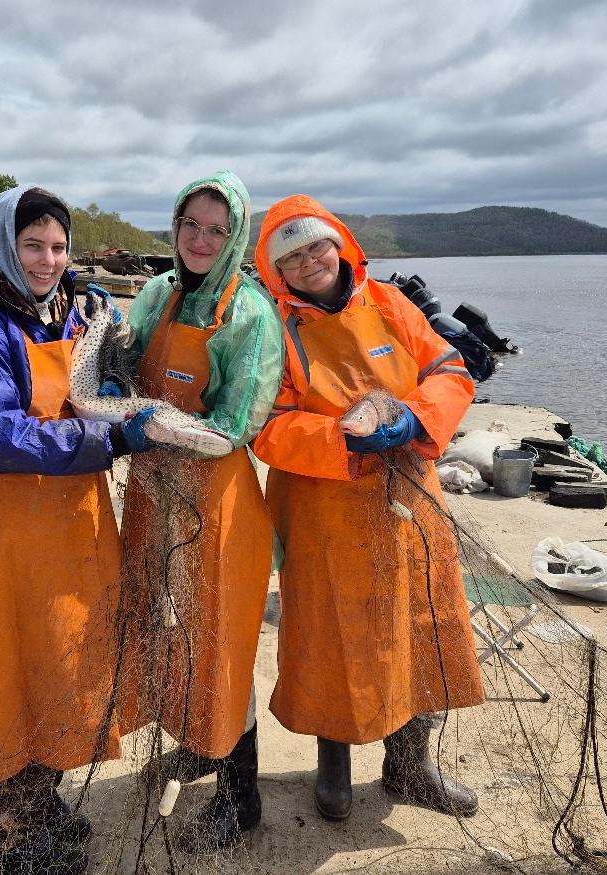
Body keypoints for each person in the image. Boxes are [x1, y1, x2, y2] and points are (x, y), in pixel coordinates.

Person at [0, 185, 155, 875]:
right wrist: (106, 439)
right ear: (3, 245)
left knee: (66, 669)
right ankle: (12, 838)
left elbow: (101, 373)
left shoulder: (71, 310)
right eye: (33, 245)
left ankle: (42, 800)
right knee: (4, 677)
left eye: (58, 246)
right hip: (6, 539)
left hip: (74, 527)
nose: (49, 259)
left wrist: (119, 375)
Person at [250, 195, 486, 823]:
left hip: (410, 490)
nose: (307, 262)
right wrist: (340, 440)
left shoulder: (388, 302)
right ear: (275, 271)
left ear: (340, 244)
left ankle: (411, 766)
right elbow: (264, 424)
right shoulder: (270, 327)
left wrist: (413, 416)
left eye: (315, 246)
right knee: (333, 635)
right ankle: (334, 770)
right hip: (324, 504)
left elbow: (451, 369)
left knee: (421, 622)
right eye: (291, 256)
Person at [112, 170, 284, 853]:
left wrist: (160, 424)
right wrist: (106, 359)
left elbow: (237, 421)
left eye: (217, 229)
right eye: (191, 225)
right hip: (154, 499)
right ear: (174, 228)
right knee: (166, 631)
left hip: (219, 504)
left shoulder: (250, 314)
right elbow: (123, 366)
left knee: (222, 644)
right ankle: (200, 745)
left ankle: (244, 800)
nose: (202, 239)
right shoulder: (156, 292)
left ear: (235, 234)